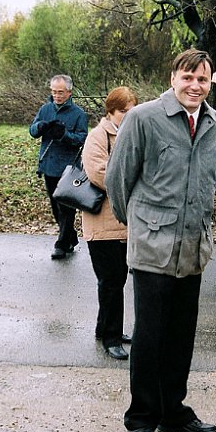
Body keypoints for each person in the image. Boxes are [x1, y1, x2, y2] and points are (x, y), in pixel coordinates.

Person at [106, 49, 216, 432]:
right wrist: (141, 226)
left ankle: (173, 411)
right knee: (150, 335)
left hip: (193, 248)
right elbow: (118, 180)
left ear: (210, 84)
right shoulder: (143, 119)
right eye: (188, 77)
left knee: (181, 336)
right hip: (153, 248)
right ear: (173, 77)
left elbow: (207, 184)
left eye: (203, 80)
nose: (195, 86)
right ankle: (141, 417)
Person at [81, 86, 138, 360]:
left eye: (130, 111)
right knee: (111, 281)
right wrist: (134, 186)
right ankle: (112, 338)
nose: (126, 116)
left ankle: (105, 327)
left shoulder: (129, 134)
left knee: (114, 279)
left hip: (122, 222)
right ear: (110, 111)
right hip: (102, 223)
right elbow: (100, 174)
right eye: (122, 112)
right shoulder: (98, 136)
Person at [29, 75, 89, 260]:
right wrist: (41, 127)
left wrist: (64, 135)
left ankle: (61, 244)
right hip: (48, 165)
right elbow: (32, 131)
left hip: (68, 167)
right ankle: (70, 236)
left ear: (69, 92)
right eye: (54, 92)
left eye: (60, 92)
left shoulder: (78, 114)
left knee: (66, 207)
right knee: (55, 207)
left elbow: (82, 139)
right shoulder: (45, 109)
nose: (57, 95)